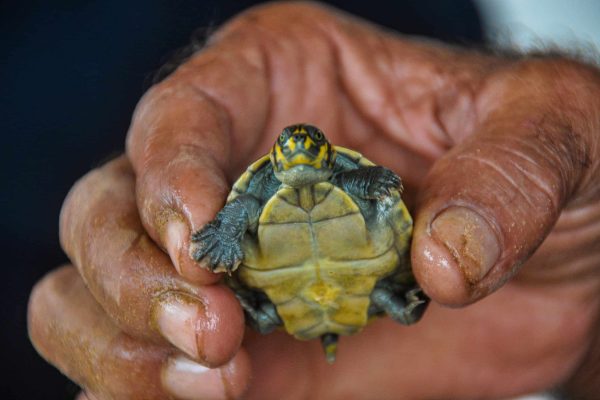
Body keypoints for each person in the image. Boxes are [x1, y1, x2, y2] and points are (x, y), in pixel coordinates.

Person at [27, 3, 599, 399]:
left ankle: (392, 299)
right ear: (280, 158)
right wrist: (224, 233)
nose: (299, 153)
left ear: (323, 154)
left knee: (402, 289)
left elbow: (383, 192)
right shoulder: (256, 193)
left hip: (367, 287)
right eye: (291, 148)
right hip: (287, 304)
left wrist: (587, 325)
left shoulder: (353, 174)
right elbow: (238, 213)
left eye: (310, 146)